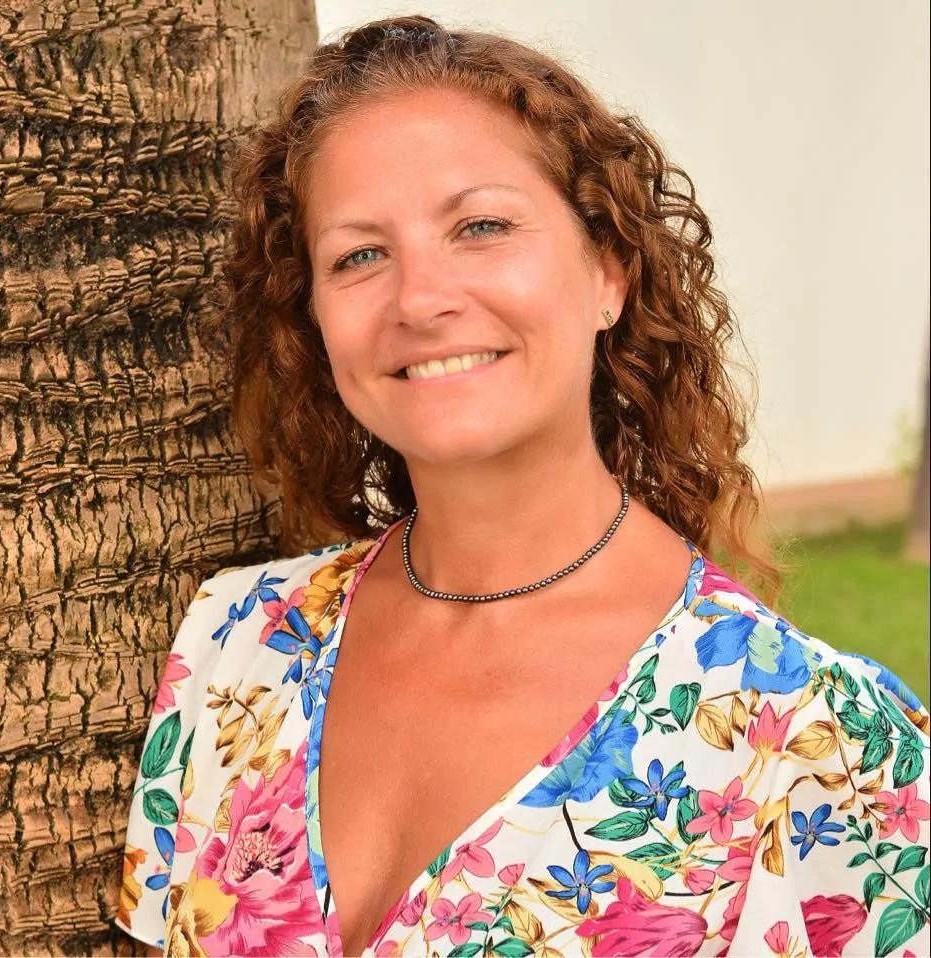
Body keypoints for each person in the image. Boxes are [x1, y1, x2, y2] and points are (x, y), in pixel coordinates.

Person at [116, 16, 931, 958]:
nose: (420, 298)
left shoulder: (818, 751)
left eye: (482, 227)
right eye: (359, 255)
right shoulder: (236, 646)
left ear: (608, 275)